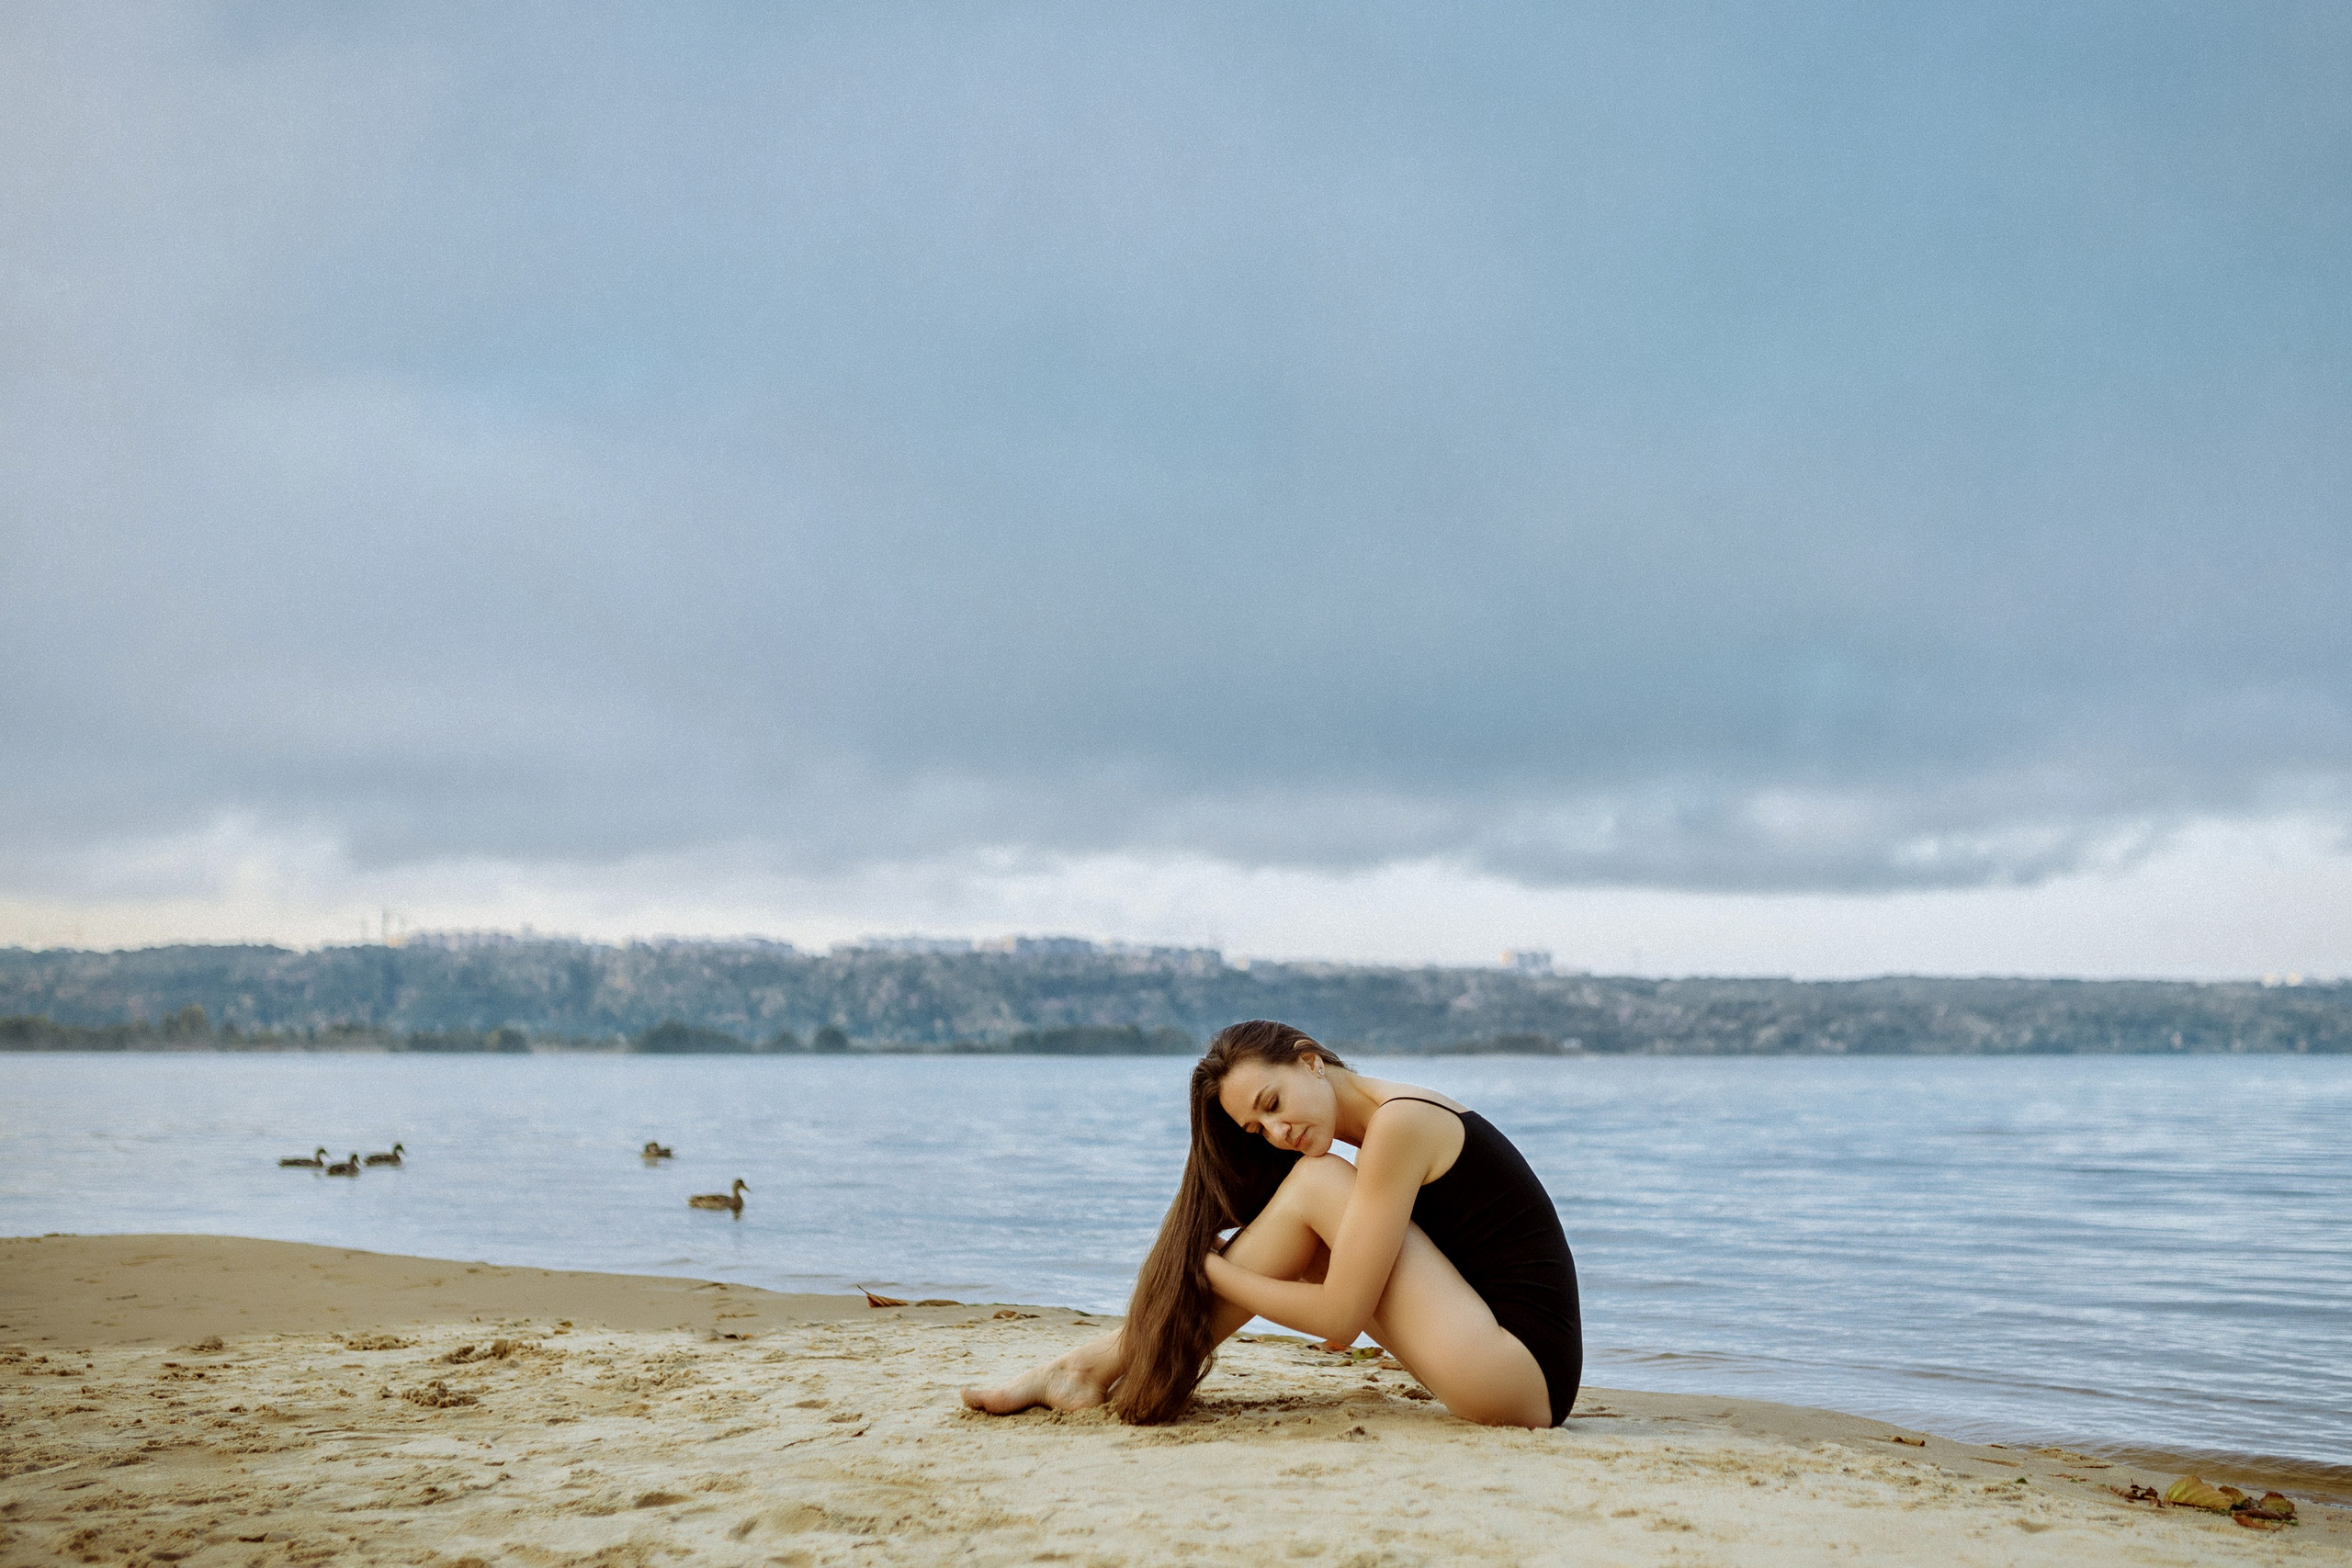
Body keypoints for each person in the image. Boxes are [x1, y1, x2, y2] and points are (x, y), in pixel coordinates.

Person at [962, 1019, 1582, 1427]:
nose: (1278, 1132)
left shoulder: (1399, 1124)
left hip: (1516, 1374)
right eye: (1259, 1129)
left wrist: (1210, 1268)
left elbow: (1340, 1321)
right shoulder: (1384, 1132)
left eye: (1273, 1103)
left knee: (1317, 1182)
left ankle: (1093, 1364)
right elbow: (1346, 1316)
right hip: (1511, 1375)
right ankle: (1095, 1363)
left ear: (1310, 1060)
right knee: (1314, 1210)